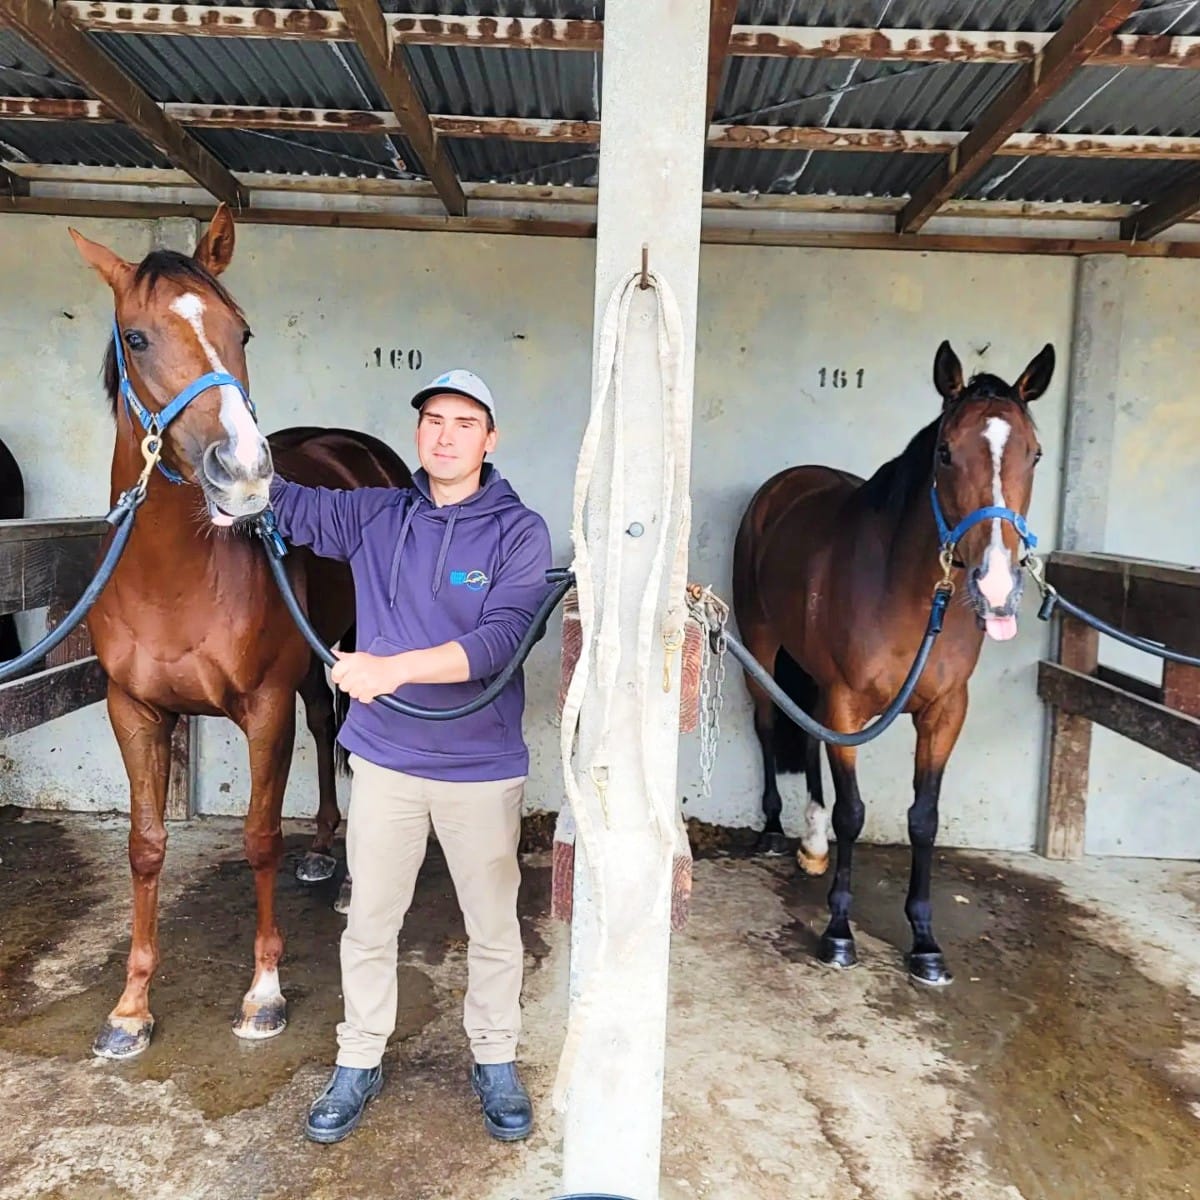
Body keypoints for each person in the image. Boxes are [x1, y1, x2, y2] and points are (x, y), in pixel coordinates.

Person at [268, 369, 552, 1145]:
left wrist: (388, 670)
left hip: (479, 767)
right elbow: (287, 502)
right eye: (433, 421)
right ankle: (359, 1058)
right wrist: (225, 443)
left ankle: (494, 1057)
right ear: (418, 433)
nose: (446, 435)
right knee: (369, 920)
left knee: (492, 925)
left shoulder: (518, 532)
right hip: (386, 760)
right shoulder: (377, 514)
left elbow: (500, 641)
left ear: (489, 439)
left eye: (465, 423)